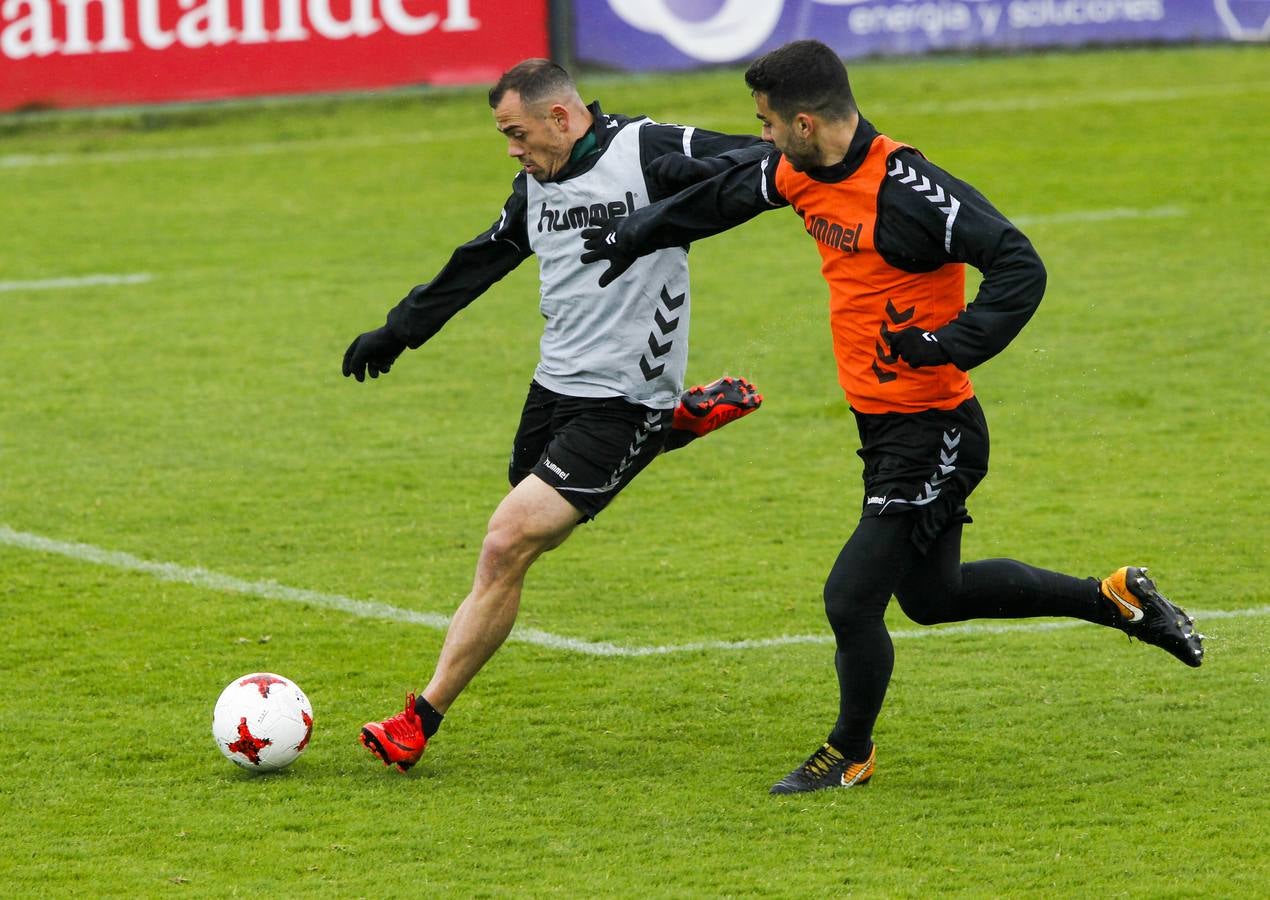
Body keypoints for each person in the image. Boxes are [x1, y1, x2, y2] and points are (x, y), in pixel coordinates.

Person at [579, 40, 1204, 795]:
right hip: (882, 427)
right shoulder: (798, 172)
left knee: (849, 598)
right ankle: (1115, 597)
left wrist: (948, 344)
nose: (764, 136)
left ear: (806, 122)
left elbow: (1017, 263)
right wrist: (633, 232)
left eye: (769, 123)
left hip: (935, 428)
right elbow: (724, 198)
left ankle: (849, 751)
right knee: (931, 599)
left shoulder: (908, 190)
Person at [341, 59, 765, 773]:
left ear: (561, 118)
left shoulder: (650, 149)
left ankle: (420, 718)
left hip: (625, 399)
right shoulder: (536, 184)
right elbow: (480, 260)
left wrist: (658, 223)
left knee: (507, 544)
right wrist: (399, 330)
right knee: (529, 524)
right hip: (554, 390)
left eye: (516, 132)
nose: (512, 148)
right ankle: (676, 426)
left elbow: (762, 166)